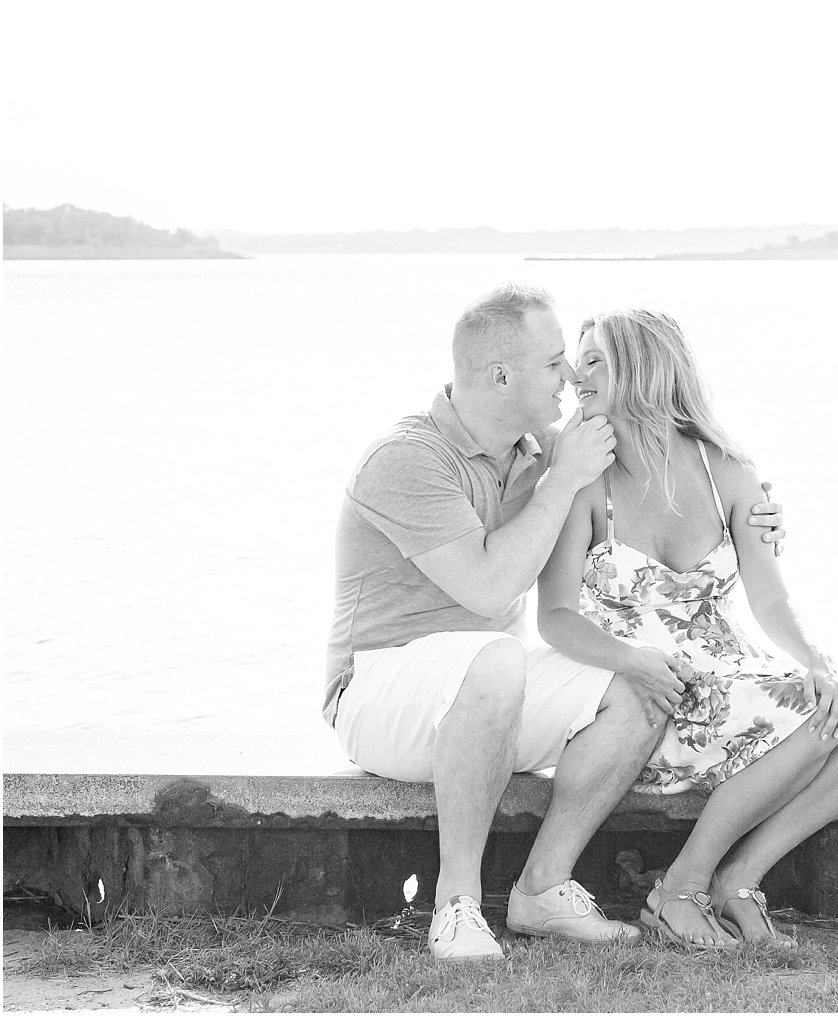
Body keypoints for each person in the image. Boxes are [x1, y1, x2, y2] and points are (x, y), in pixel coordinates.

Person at [324, 284, 786, 961]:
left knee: (636, 679)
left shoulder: (543, 448)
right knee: (496, 656)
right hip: (381, 693)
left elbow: (669, 470)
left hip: (487, 696)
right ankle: (456, 906)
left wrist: (758, 516)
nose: (571, 376)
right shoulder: (406, 459)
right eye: (554, 362)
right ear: (500, 375)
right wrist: (562, 482)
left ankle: (542, 887)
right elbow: (488, 591)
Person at [537, 309, 838, 949]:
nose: (578, 375)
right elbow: (555, 618)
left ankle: (738, 876)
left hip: (734, 683)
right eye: (580, 361)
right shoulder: (582, 482)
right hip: (645, 698)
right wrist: (630, 660)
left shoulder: (728, 473)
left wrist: (817, 660)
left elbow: (769, 599)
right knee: (809, 709)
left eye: (596, 360)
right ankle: (677, 889)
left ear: (645, 367)